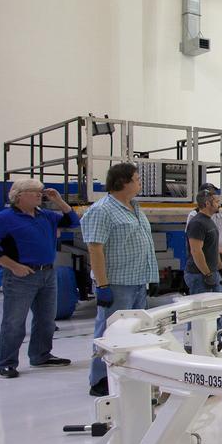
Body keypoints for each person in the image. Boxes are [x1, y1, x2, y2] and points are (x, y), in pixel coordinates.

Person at [0, 179, 79, 378]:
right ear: (19, 195)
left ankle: (41, 355)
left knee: (46, 320)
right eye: (34, 192)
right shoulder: (4, 218)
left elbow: (73, 222)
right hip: (20, 277)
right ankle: (6, 362)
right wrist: (13, 266)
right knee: (14, 322)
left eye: (40, 192)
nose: (39, 195)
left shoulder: (46, 216)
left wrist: (59, 201)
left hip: (47, 274)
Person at [81, 162, 158, 397]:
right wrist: (102, 285)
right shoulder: (101, 210)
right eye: (136, 179)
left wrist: (150, 276)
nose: (140, 183)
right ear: (122, 182)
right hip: (117, 282)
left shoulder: (135, 207)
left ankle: (130, 373)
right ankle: (100, 379)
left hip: (138, 280)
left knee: (135, 332)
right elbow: (95, 249)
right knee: (108, 333)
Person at [184, 191, 222, 296]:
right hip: (199, 276)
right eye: (216, 202)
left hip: (212, 273)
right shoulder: (197, 223)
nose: (219, 205)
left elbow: (213, 249)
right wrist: (207, 274)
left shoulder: (209, 221)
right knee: (203, 310)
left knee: (215, 309)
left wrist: (221, 270)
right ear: (207, 204)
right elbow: (196, 251)